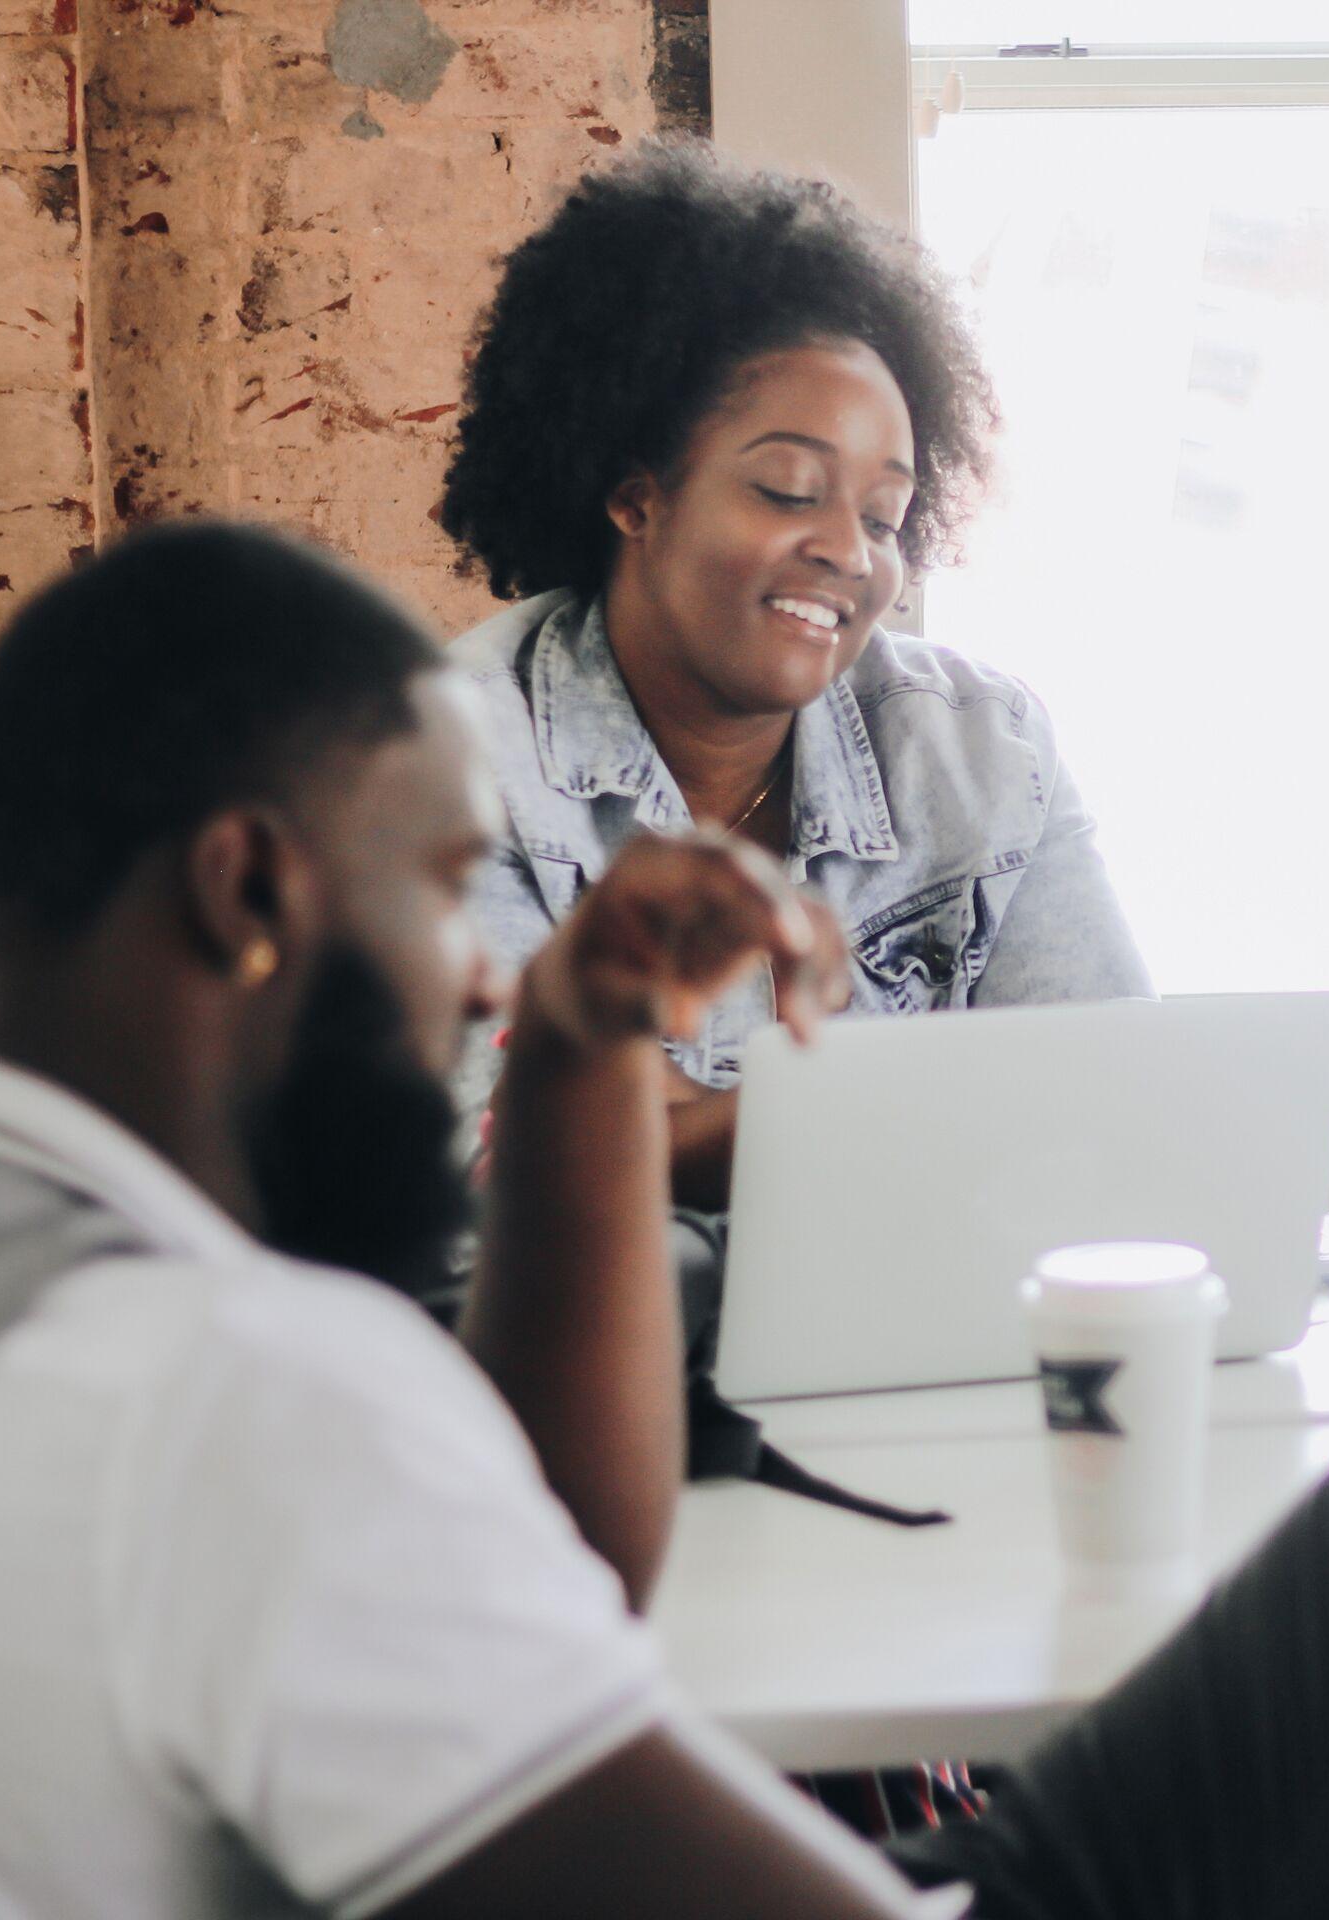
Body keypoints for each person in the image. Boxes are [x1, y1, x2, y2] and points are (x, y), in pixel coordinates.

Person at [0, 520, 1329, 1920]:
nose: (473, 960)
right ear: (256, 894)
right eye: (445, 886)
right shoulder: (237, 1394)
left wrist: (576, 1055)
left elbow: (567, 1558)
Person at [438, 138, 1149, 1221]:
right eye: (786, 490)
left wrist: (688, 1119)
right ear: (637, 495)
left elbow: (1117, 1107)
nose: (849, 554)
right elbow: (504, 1154)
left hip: (922, 1361)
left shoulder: (982, 754)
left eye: (882, 516)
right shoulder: (451, 757)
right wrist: (947, 1115)